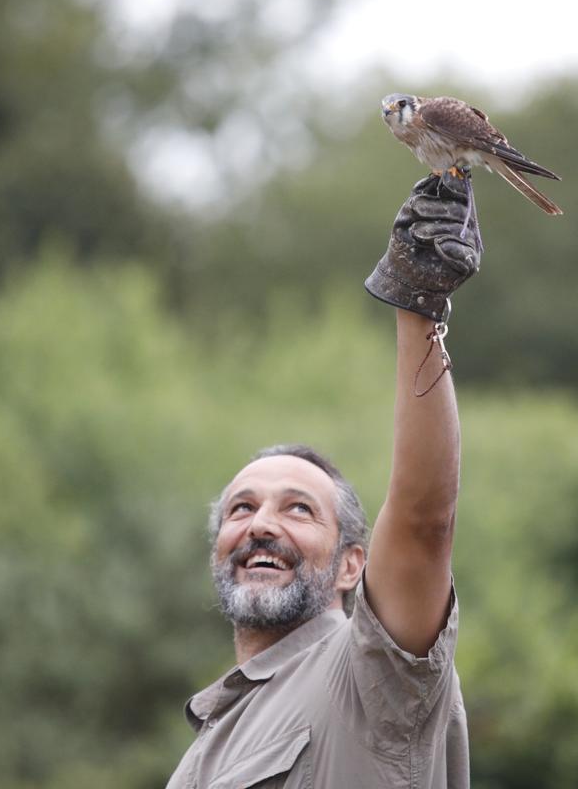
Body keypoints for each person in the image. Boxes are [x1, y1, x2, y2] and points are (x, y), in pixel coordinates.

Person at [166, 172, 482, 789]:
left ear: (350, 566)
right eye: (241, 509)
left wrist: (416, 305)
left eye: (300, 510)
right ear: (218, 550)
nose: (261, 525)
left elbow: (424, 520)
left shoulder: (372, 673)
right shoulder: (207, 745)